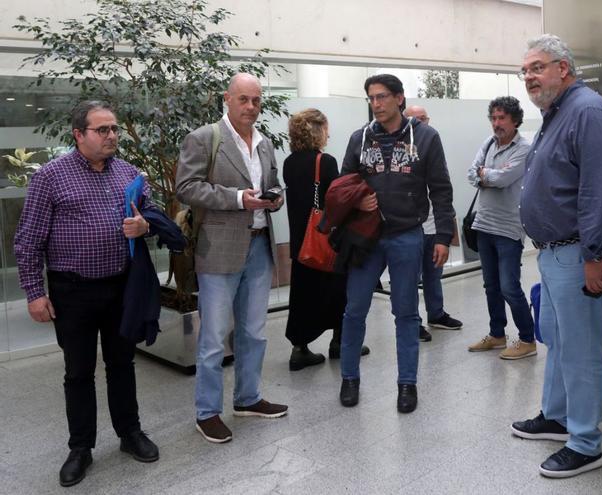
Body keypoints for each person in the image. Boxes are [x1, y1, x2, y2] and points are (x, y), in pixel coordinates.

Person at [14, 100, 159, 487]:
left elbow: (154, 215)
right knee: (78, 372)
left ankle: (130, 433)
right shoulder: (51, 177)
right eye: (103, 130)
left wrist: (145, 225)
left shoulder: (128, 173)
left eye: (114, 129)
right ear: (79, 134)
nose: (112, 135)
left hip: (119, 287)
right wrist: (33, 291)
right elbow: (28, 240)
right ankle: (80, 447)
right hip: (72, 291)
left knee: (122, 365)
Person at [511, 34, 602, 478]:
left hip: (580, 254)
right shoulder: (557, 112)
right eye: (525, 71)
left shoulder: (589, 111)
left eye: (537, 67)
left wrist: (595, 255)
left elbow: (601, 191)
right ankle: (557, 418)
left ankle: (585, 443)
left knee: (580, 351)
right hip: (555, 253)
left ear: (564, 68)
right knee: (558, 344)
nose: (529, 77)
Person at [176, 73, 288, 444]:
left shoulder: (266, 143)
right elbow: (187, 188)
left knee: (254, 331)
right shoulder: (205, 138)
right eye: (243, 100)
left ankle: (248, 398)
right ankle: (207, 412)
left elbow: (272, 182)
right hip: (219, 248)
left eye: (256, 100)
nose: (251, 107)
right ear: (227, 99)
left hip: (259, 245)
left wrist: (275, 197)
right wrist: (239, 198)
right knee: (212, 337)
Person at [338, 74, 455, 413]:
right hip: (365, 238)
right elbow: (344, 185)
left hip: (406, 235)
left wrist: (444, 236)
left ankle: (407, 385)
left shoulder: (427, 137)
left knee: (405, 313)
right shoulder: (359, 138)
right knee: (354, 310)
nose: (377, 104)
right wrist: (357, 203)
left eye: (383, 97)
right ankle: (349, 378)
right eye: (372, 98)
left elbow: (441, 189)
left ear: (400, 98)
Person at [282, 108, 369, 370]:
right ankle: (339, 342)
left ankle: (299, 349)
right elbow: (336, 201)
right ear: (317, 130)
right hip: (324, 239)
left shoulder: (289, 162)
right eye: (326, 128)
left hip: (301, 242)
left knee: (302, 293)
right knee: (337, 289)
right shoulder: (325, 162)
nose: (329, 133)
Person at [465, 96, 536, 359]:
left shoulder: (525, 147)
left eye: (502, 118)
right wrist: (486, 174)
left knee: (509, 286)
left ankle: (527, 339)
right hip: (484, 224)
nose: (497, 123)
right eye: (493, 118)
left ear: (515, 120)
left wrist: (486, 174)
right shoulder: (488, 144)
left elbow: (504, 178)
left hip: (509, 228)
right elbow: (471, 173)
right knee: (491, 286)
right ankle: (497, 334)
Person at [402, 105, 464, 343]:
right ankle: (412, 322)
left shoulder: (433, 144)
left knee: (434, 274)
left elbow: (442, 187)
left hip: (434, 226)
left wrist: (445, 229)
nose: (421, 123)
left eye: (423, 118)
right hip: (412, 228)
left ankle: (436, 314)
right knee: (409, 279)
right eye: (414, 120)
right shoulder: (401, 150)